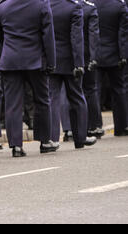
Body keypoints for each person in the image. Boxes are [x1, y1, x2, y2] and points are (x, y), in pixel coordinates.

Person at [0, 0, 58, 157]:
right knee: (42, 100)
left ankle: (16, 146)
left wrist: (6, 53)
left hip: (10, 59)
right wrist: (51, 61)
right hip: (35, 59)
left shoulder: (3, 6)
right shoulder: (41, 4)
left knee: (12, 104)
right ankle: (45, 141)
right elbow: (48, 36)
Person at [49, 0, 97, 149]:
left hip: (52, 60)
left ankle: (51, 139)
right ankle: (80, 137)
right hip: (70, 60)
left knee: (52, 99)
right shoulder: (74, 6)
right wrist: (79, 63)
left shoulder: (46, 5)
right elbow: (76, 37)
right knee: (77, 98)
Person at [94, 0, 128, 136]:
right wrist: (123, 55)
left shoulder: (91, 5)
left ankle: (95, 126)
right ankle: (122, 126)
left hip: (96, 54)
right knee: (119, 90)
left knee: (95, 91)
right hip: (115, 53)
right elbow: (123, 34)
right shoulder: (119, 6)